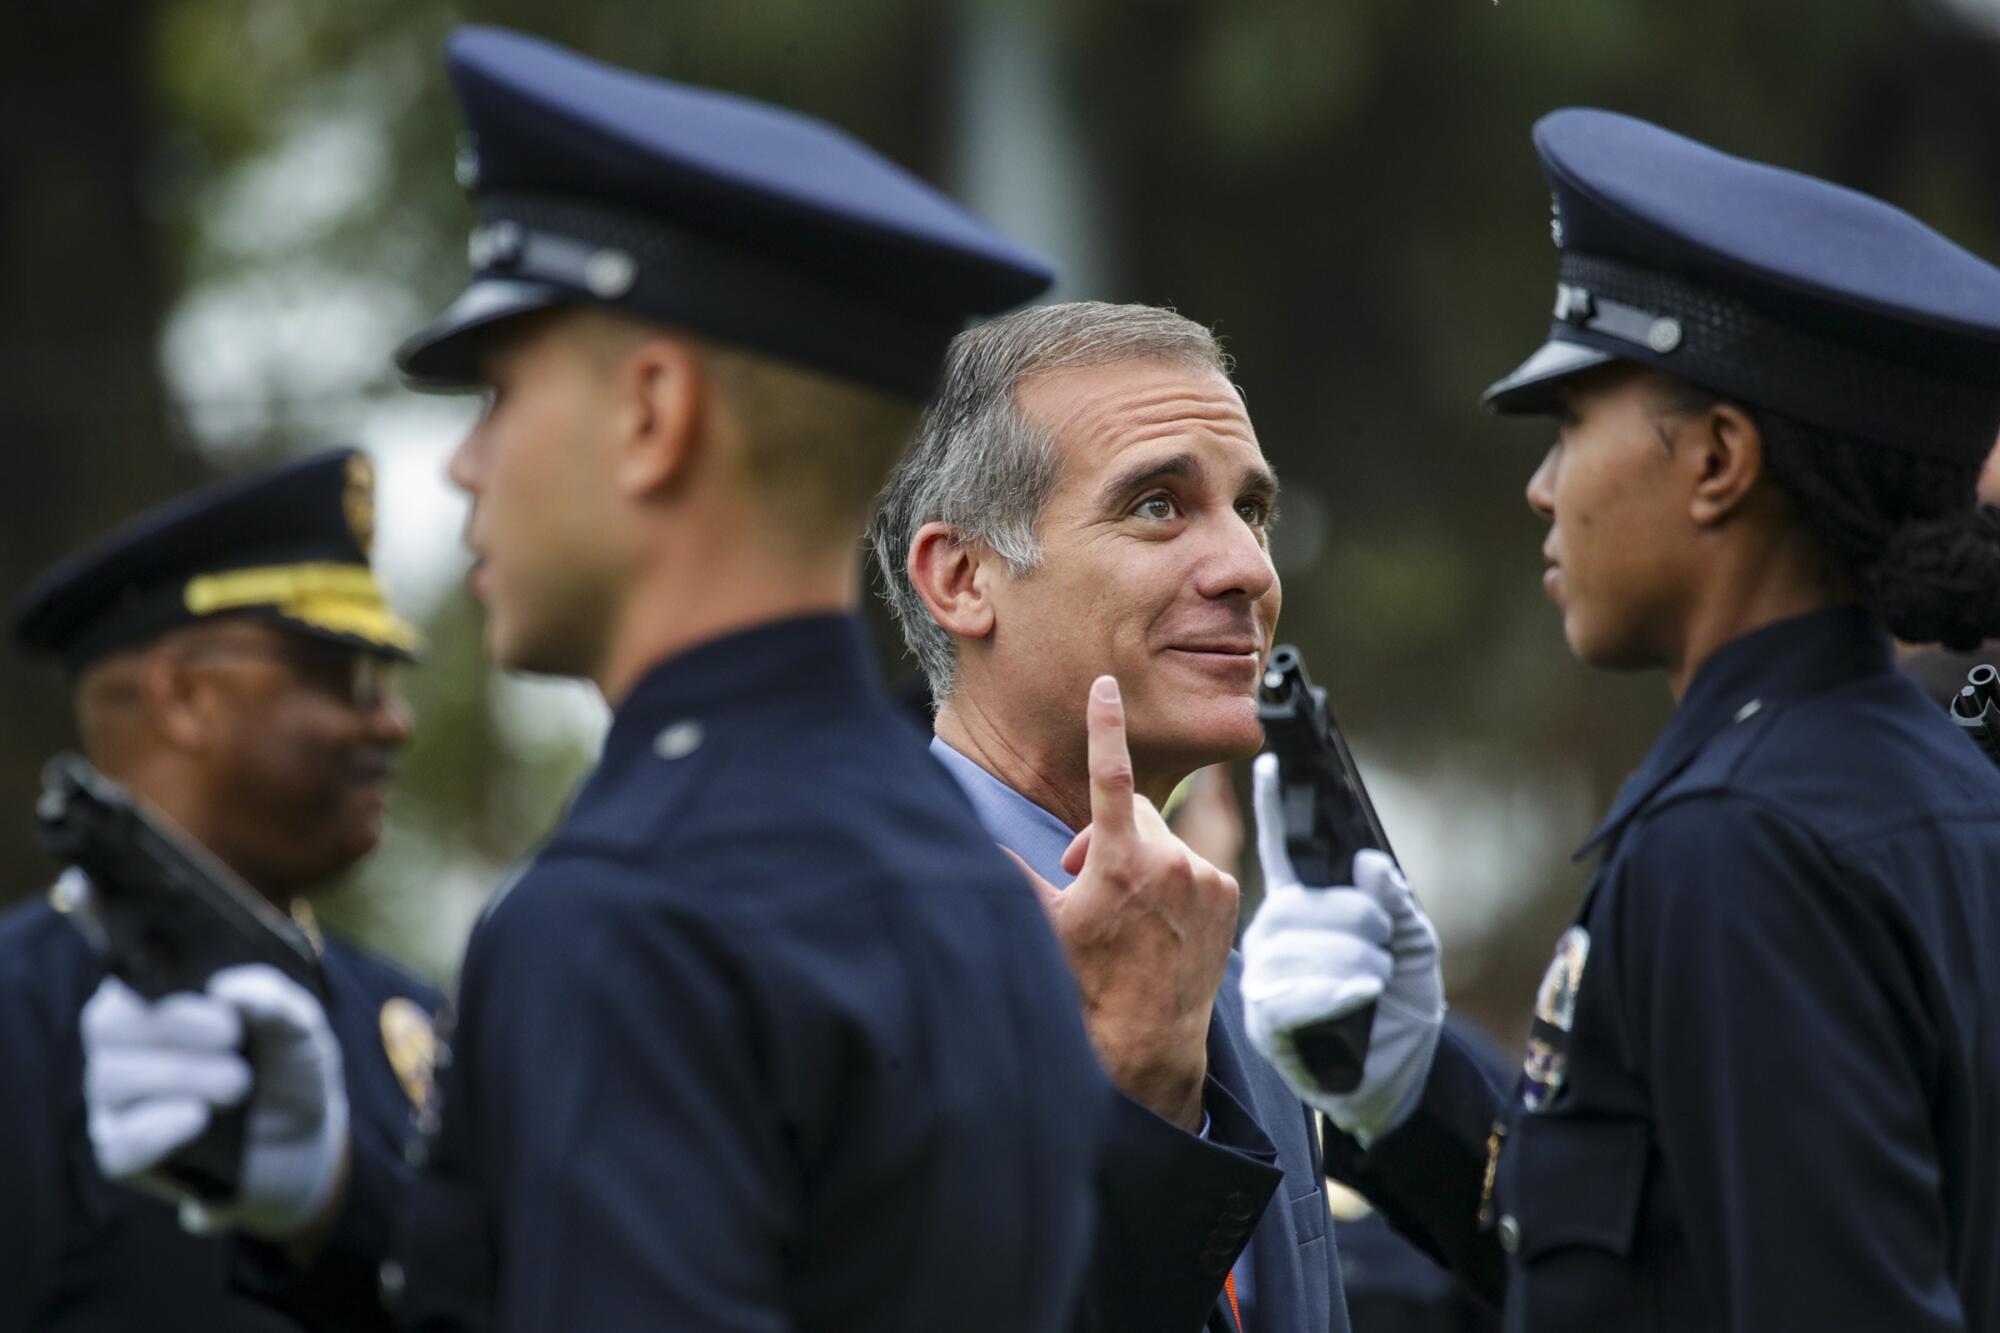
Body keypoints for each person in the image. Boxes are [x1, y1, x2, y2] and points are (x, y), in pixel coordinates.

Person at [80, 27, 1108, 1333]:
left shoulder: (630, 912)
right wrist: (339, 1205)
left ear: (651, 416)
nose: (464, 467)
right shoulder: (973, 879)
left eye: (501, 394)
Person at [1240, 108, 2000, 1332]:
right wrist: (1407, 1093)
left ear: (1716, 460)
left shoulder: (1737, 844)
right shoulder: (1937, 792)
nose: (1542, 489)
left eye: (1571, 423)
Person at [872, 299, 1352, 1333]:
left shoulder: (1204, 954)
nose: (1249, 571)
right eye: (1156, 506)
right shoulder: (841, 953)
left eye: (1251, 510)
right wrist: (1132, 1098)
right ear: (961, 578)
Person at [1, 448, 441, 1332]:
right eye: (346, 674)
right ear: (184, 695)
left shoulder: (415, 1018)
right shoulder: (19, 1011)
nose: (393, 720)